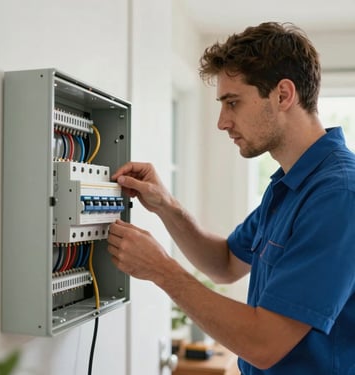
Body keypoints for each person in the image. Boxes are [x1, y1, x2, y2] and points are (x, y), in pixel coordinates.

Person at [107, 22, 355, 374]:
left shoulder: (338, 195)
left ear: (283, 95)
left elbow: (264, 343)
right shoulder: (287, 185)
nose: (223, 122)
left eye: (233, 103)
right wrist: (166, 205)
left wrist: (160, 270)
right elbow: (224, 263)